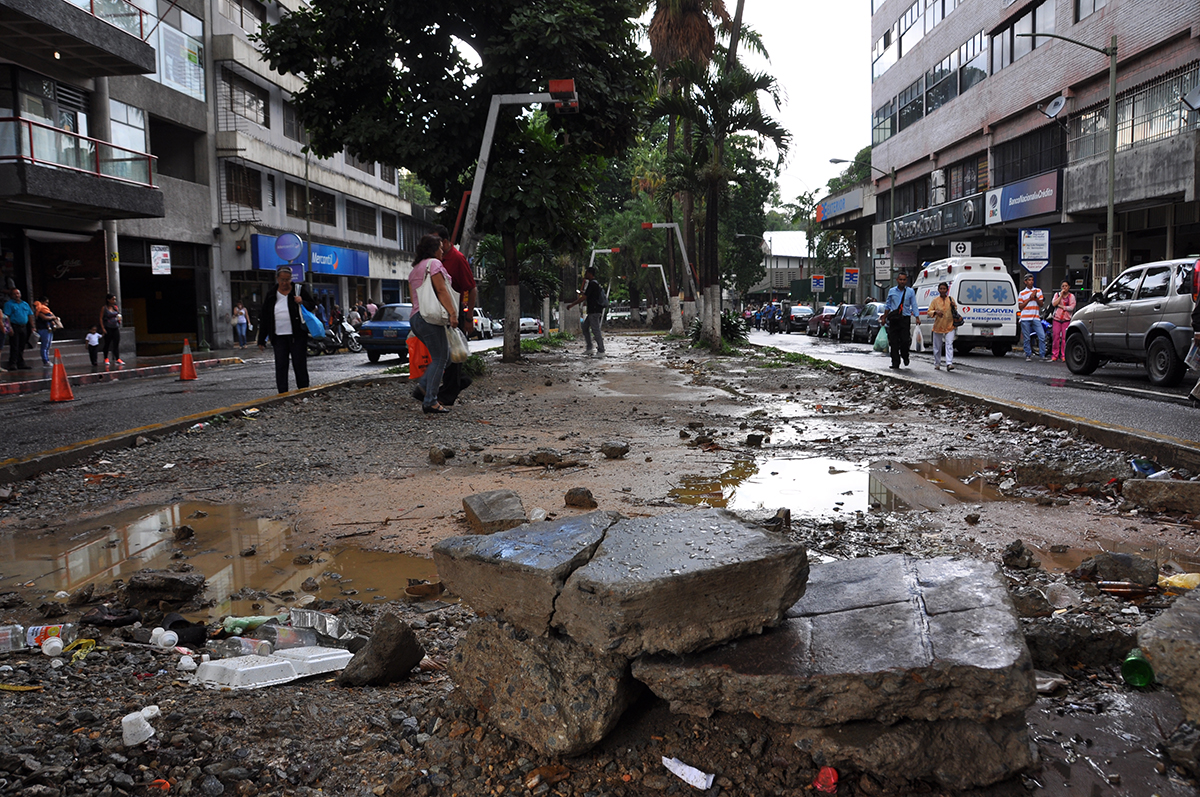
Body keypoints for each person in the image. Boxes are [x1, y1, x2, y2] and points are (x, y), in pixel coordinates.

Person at [407, 233, 458, 414]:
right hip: (428, 317)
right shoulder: (434, 264)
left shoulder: (415, 269)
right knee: (441, 358)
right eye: (440, 249)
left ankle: (424, 386)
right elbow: (441, 290)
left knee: (445, 357)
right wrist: (453, 313)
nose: (442, 253)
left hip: (416, 318)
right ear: (434, 250)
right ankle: (430, 400)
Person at [433, 225, 477, 406]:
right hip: (437, 310)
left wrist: (468, 318)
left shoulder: (457, 259)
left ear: (444, 242)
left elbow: (471, 288)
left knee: (454, 352)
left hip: (454, 308)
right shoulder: (434, 259)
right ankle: (460, 380)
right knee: (442, 351)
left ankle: (448, 394)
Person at [257, 266, 315, 393]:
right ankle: (282, 392)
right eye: (282, 280)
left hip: (297, 335)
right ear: (277, 279)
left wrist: (302, 302)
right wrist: (261, 339)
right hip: (278, 336)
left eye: (287, 279)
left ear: (291, 279)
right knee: (281, 365)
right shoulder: (271, 294)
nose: (284, 283)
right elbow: (265, 317)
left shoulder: (298, 290)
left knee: (299, 364)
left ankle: (304, 390)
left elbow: (313, 305)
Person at [881, 272, 918, 369]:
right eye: (900, 279)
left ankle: (905, 355)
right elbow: (888, 305)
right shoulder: (892, 291)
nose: (902, 281)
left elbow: (914, 304)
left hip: (905, 319)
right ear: (897, 280)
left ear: (906, 280)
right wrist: (884, 317)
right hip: (894, 319)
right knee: (893, 342)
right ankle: (895, 362)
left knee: (905, 340)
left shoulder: (910, 292)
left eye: (904, 280)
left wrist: (917, 316)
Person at [567, 267, 605, 356]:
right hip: (592, 311)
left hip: (594, 311)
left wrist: (572, 304)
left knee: (595, 330)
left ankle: (601, 350)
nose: (585, 275)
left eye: (586, 273)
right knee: (585, 327)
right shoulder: (592, 284)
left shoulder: (592, 284)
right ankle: (589, 348)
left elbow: (584, 298)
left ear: (590, 274)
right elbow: (587, 295)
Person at [927, 281, 958, 371]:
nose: (942, 290)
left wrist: (953, 306)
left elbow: (955, 309)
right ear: (938, 290)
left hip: (950, 325)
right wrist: (936, 312)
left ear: (947, 290)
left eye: (944, 289)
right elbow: (929, 311)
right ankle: (937, 363)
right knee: (937, 346)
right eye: (941, 289)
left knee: (949, 344)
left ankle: (949, 363)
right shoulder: (935, 301)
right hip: (938, 326)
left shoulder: (951, 299)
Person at [1018, 273, 1047, 362]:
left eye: (1032, 280)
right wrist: (1029, 299)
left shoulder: (1038, 291)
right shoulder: (1022, 293)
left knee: (1042, 336)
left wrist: (1036, 297)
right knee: (1027, 338)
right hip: (1025, 318)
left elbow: (1041, 304)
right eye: (1029, 280)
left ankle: (1042, 355)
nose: (1031, 282)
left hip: (1035, 317)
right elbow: (1020, 306)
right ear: (1025, 282)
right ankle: (1028, 354)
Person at [4, 288, 33, 370]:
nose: (17, 295)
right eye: (15, 294)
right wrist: (9, 327)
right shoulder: (9, 304)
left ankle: (21, 362)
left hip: (23, 326)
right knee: (14, 345)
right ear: (11, 295)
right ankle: (13, 363)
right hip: (14, 326)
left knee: (22, 345)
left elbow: (30, 315)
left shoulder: (25, 304)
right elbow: (7, 317)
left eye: (18, 293)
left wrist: (32, 327)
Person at [1049, 282, 1076, 362]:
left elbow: (1071, 307)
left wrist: (1062, 307)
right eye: (1063, 286)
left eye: (1066, 286)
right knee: (1056, 337)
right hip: (1057, 319)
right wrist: (1061, 295)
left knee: (1065, 338)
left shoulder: (1071, 296)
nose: (1064, 288)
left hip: (1066, 319)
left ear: (1069, 287)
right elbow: (1054, 304)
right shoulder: (1057, 295)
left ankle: (1064, 355)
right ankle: (1055, 355)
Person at [99, 294, 123, 366]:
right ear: (108, 300)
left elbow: (118, 315)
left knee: (116, 343)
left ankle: (117, 358)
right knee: (107, 343)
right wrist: (103, 328)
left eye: (115, 299)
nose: (114, 301)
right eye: (112, 299)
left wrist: (119, 319)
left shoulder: (115, 307)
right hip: (108, 327)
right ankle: (106, 358)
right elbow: (101, 318)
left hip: (115, 327)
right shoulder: (104, 308)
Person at [33, 297, 57, 365]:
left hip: (49, 329)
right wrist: (52, 317)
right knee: (44, 345)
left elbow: (52, 315)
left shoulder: (47, 310)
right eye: (45, 302)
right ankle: (45, 360)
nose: (46, 304)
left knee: (48, 345)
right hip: (43, 329)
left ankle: (47, 358)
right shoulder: (40, 310)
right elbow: (45, 318)